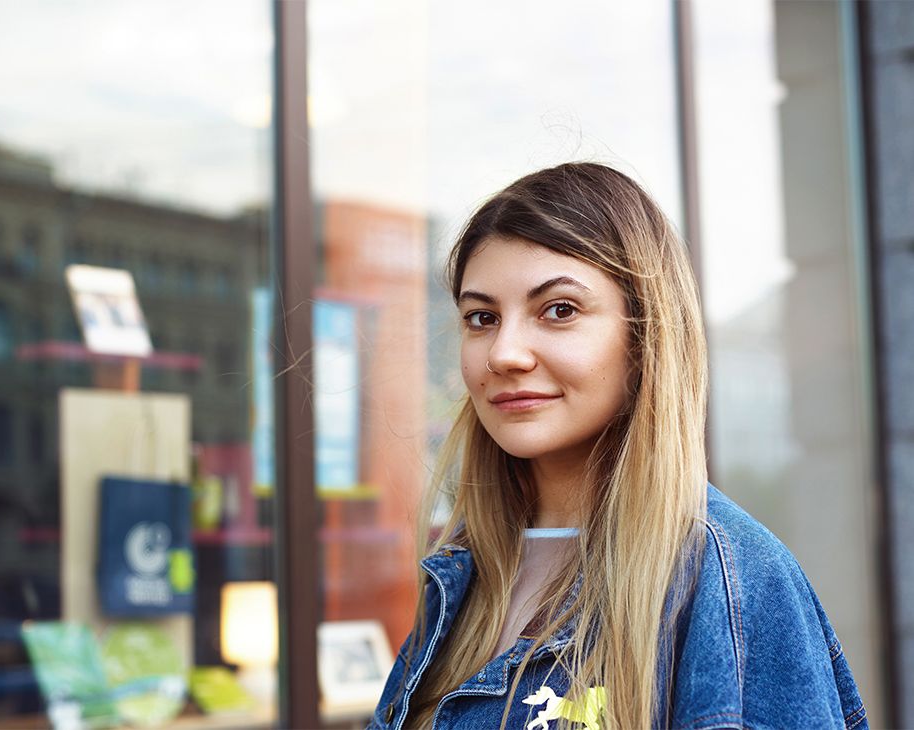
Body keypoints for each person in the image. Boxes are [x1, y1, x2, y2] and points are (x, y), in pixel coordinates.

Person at [367, 163, 867, 729]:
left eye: (559, 310)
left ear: (644, 336)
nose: (504, 353)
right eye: (481, 318)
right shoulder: (460, 578)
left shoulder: (731, 584)